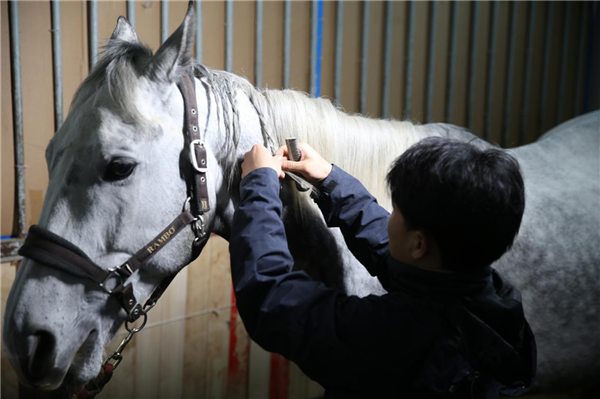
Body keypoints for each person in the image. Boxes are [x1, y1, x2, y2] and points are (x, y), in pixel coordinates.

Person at [229, 137, 536, 398]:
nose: (389, 218)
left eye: (397, 212)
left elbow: (270, 296)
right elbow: (399, 261)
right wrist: (329, 179)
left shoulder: (392, 334)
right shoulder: (495, 301)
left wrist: (259, 186)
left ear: (419, 245)